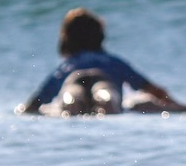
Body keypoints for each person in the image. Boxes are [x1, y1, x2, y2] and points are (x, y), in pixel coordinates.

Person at [18, 8, 176, 116]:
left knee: (71, 101)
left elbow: (39, 99)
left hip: (74, 79)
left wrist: (25, 111)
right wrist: (176, 105)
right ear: (100, 37)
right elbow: (152, 89)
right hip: (104, 79)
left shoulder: (68, 65)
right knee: (107, 101)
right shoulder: (113, 61)